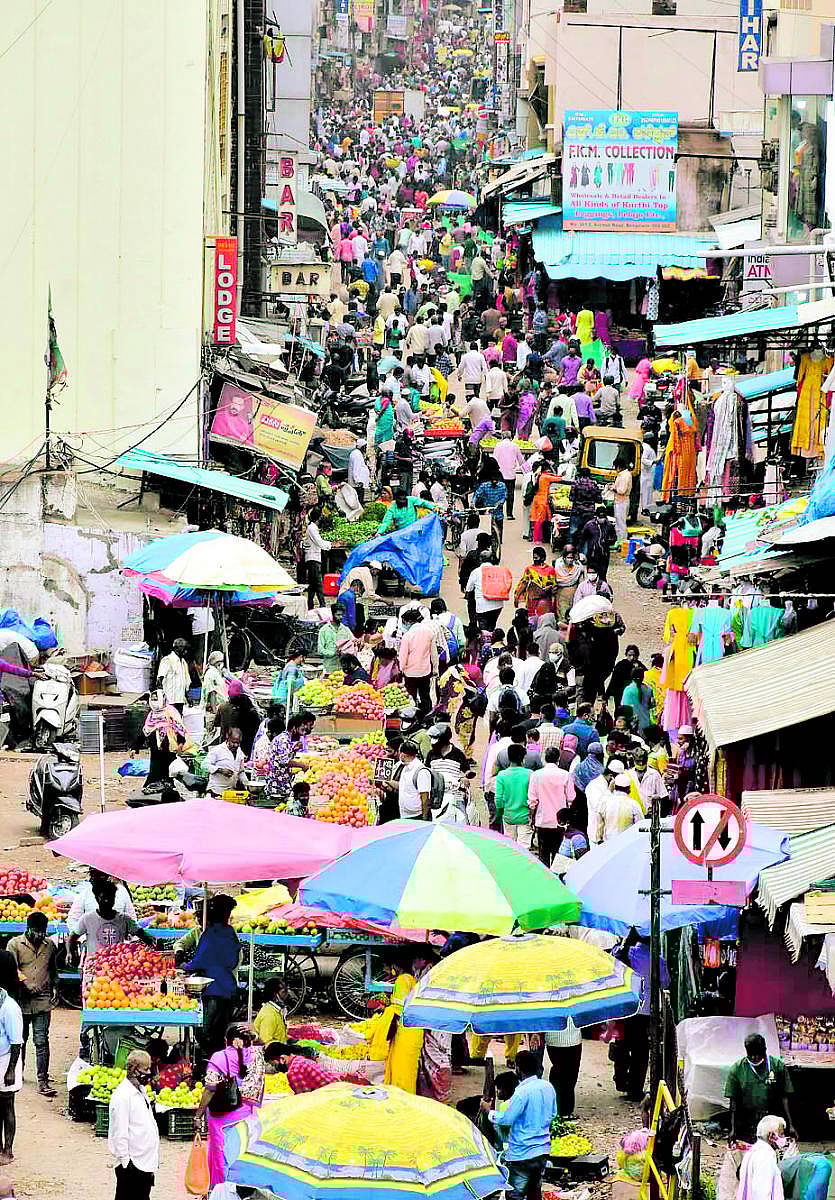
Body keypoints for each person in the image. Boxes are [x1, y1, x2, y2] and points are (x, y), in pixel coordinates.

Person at [194, 1024, 265, 1189]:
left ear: (227, 1040)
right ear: (249, 1039)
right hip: (247, 1116)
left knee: (222, 1157)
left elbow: (210, 1090)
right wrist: (254, 1035)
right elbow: (264, 1045)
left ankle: (220, 1191)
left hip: (222, 1120)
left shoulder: (219, 1057)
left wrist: (198, 1115)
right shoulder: (257, 1055)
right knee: (241, 1154)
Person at [484, 1049, 557, 1200]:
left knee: (515, 1195)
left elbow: (506, 1119)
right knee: (534, 1192)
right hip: (542, 1150)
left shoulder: (521, 1092)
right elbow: (553, 1114)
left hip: (522, 1153)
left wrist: (488, 1111)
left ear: (518, 1068)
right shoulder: (548, 1087)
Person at [181, 895, 240, 1057]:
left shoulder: (210, 934)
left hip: (214, 990)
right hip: (228, 988)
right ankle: (220, 1062)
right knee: (220, 1032)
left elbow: (200, 961)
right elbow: (234, 960)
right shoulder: (229, 932)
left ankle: (213, 1060)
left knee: (203, 1030)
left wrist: (185, 966)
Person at [8, 912, 57, 1097]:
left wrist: (55, 988)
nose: (39, 936)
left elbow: (53, 969)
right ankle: (17, 1074)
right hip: (20, 1000)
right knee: (19, 1039)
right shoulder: (15, 944)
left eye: (43, 932)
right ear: (28, 929)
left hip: (42, 1001)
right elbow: (12, 968)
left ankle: (43, 1080)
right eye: (36, 931)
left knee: (42, 1040)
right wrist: (26, 983)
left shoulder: (50, 945)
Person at [725, 1033, 795, 1146]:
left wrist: (790, 1125)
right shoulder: (737, 1069)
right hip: (747, 1125)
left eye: (758, 1054)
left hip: (773, 1124)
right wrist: (732, 1129)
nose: (754, 1058)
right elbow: (733, 1103)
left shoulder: (777, 1066)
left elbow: (785, 1097)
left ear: (765, 1050)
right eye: (750, 1054)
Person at [108, 1050, 158, 1200]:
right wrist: (126, 1162)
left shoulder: (141, 1091)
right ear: (132, 1069)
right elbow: (119, 1132)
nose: (149, 1073)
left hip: (144, 1162)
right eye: (145, 1069)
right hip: (132, 1165)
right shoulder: (122, 1096)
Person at [528, 748, 575, 866]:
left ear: (545, 759)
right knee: (558, 855)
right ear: (558, 759)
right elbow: (571, 798)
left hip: (542, 820)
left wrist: (531, 818)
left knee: (543, 854)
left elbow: (532, 801)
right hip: (560, 823)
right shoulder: (565, 775)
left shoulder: (536, 775)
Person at [265, 711, 315, 807]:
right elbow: (284, 761)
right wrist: (301, 765)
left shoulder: (287, 739)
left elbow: (283, 757)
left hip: (282, 781)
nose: (303, 733)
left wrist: (294, 749)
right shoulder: (283, 739)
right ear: (294, 728)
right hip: (277, 784)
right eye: (301, 729)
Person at [399, 608, 438, 714]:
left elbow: (403, 656)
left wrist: (401, 669)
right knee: (425, 696)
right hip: (425, 671)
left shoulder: (407, 636)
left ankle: (412, 717)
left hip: (410, 673)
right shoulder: (429, 632)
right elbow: (434, 653)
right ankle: (427, 716)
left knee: (411, 697)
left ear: (409, 621)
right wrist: (435, 668)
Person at [495, 743, 533, 847]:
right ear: (523, 758)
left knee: (509, 847)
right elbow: (533, 797)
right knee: (524, 848)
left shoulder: (501, 775)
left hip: (508, 816)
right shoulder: (530, 774)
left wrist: (501, 812)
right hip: (525, 817)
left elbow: (498, 799)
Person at [545, 1019, 582, 1119]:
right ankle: (564, 1110)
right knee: (569, 1076)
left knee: (560, 1073)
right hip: (568, 1038)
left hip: (556, 1038)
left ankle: (558, 1109)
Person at [466, 550, 507, 633]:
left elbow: (468, 589)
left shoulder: (476, 572)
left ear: (480, 559)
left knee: (483, 630)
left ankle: (486, 643)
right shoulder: (499, 570)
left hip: (482, 606)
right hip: (498, 604)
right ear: (492, 559)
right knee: (492, 626)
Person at [596, 774, 643, 842]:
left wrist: (599, 840)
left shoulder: (605, 802)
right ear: (629, 789)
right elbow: (640, 826)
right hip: (626, 845)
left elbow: (600, 825)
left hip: (608, 844)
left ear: (614, 787)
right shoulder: (633, 804)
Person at [493, 430, 527, 520]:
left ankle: (498, 513)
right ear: (510, 437)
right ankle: (509, 514)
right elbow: (521, 461)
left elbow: (494, 460)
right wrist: (526, 472)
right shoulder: (514, 446)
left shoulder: (498, 446)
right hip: (511, 474)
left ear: (502, 437)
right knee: (510, 494)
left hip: (500, 474)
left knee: (499, 494)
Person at [303, 507, 332, 610]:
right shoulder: (312, 528)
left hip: (313, 557)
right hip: (313, 558)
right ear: (318, 518)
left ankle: (310, 604)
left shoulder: (312, 527)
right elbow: (319, 542)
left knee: (313, 583)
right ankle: (322, 604)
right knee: (318, 582)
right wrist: (331, 544)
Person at [514, 547, 556, 616]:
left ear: (543, 558)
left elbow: (554, 586)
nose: (534, 560)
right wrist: (516, 597)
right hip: (532, 601)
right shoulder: (529, 569)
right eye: (533, 558)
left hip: (546, 600)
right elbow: (523, 583)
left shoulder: (550, 570)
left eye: (536, 558)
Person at [204, 727, 245, 797]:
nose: (236, 745)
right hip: (216, 791)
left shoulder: (239, 751)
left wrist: (247, 784)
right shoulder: (217, 750)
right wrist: (220, 770)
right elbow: (204, 765)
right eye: (233, 742)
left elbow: (241, 772)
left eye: (238, 743)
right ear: (227, 738)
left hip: (231, 792)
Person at [397, 740, 432, 820]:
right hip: (405, 814)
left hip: (417, 816)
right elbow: (402, 787)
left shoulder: (421, 771)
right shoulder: (405, 768)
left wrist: (424, 818)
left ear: (403, 755)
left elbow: (425, 797)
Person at [317, 604, 354, 674]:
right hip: (329, 668)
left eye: (342, 615)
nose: (340, 617)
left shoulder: (346, 630)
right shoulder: (324, 630)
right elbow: (320, 650)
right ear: (333, 614)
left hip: (343, 669)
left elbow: (352, 643)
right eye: (338, 615)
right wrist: (333, 653)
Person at [156, 639, 191, 710]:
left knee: (179, 720)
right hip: (170, 701)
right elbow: (159, 680)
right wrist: (161, 699)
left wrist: (187, 697)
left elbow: (184, 682)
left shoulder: (183, 662)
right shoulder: (167, 660)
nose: (186, 651)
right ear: (177, 648)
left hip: (180, 700)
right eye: (184, 648)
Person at [253, 977, 288, 1047]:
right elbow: (266, 1043)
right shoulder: (269, 1015)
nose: (287, 995)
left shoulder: (276, 1010)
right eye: (284, 992)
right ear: (275, 995)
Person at [621, 668, 655, 734]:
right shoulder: (648, 689)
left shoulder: (628, 690)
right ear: (643, 677)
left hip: (632, 725)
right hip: (646, 723)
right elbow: (652, 705)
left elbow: (624, 708)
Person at [611, 453, 633, 544]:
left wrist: (613, 489)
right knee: (619, 521)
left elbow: (621, 490)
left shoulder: (624, 476)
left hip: (622, 501)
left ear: (619, 467)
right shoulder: (626, 474)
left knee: (621, 522)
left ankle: (622, 541)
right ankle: (619, 539)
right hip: (621, 501)